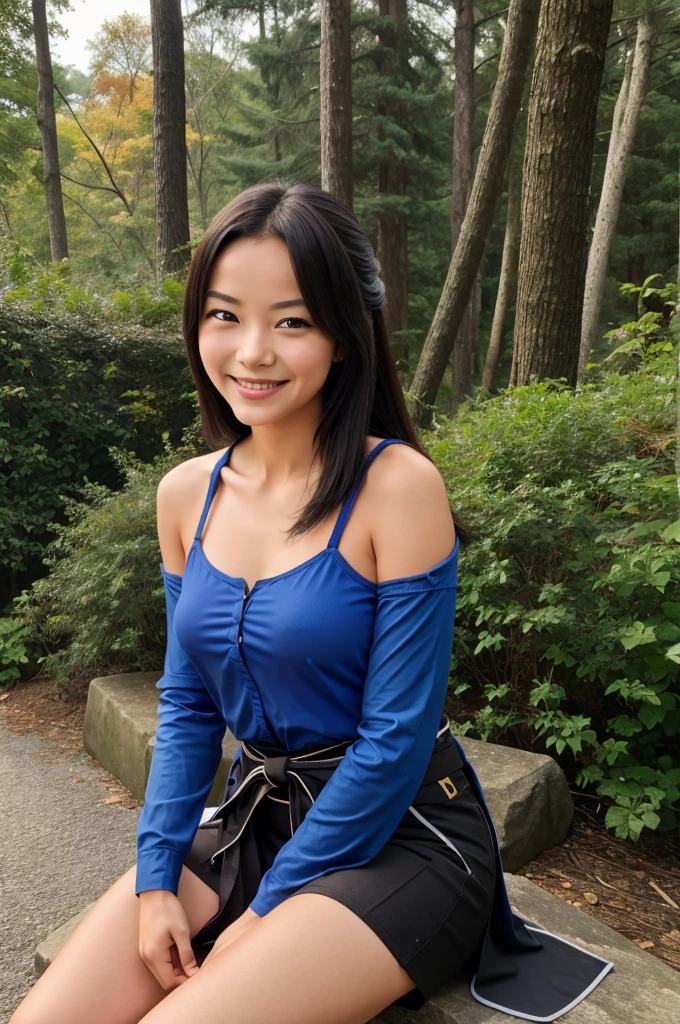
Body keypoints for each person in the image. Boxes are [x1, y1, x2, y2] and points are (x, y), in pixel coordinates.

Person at [11, 181, 613, 1024]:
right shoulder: (187, 495)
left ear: (343, 333)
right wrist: (155, 881)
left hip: (402, 836)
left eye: (290, 321)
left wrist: (264, 914)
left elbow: (396, 741)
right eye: (225, 315)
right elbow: (186, 707)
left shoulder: (396, 488)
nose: (252, 351)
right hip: (256, 819)